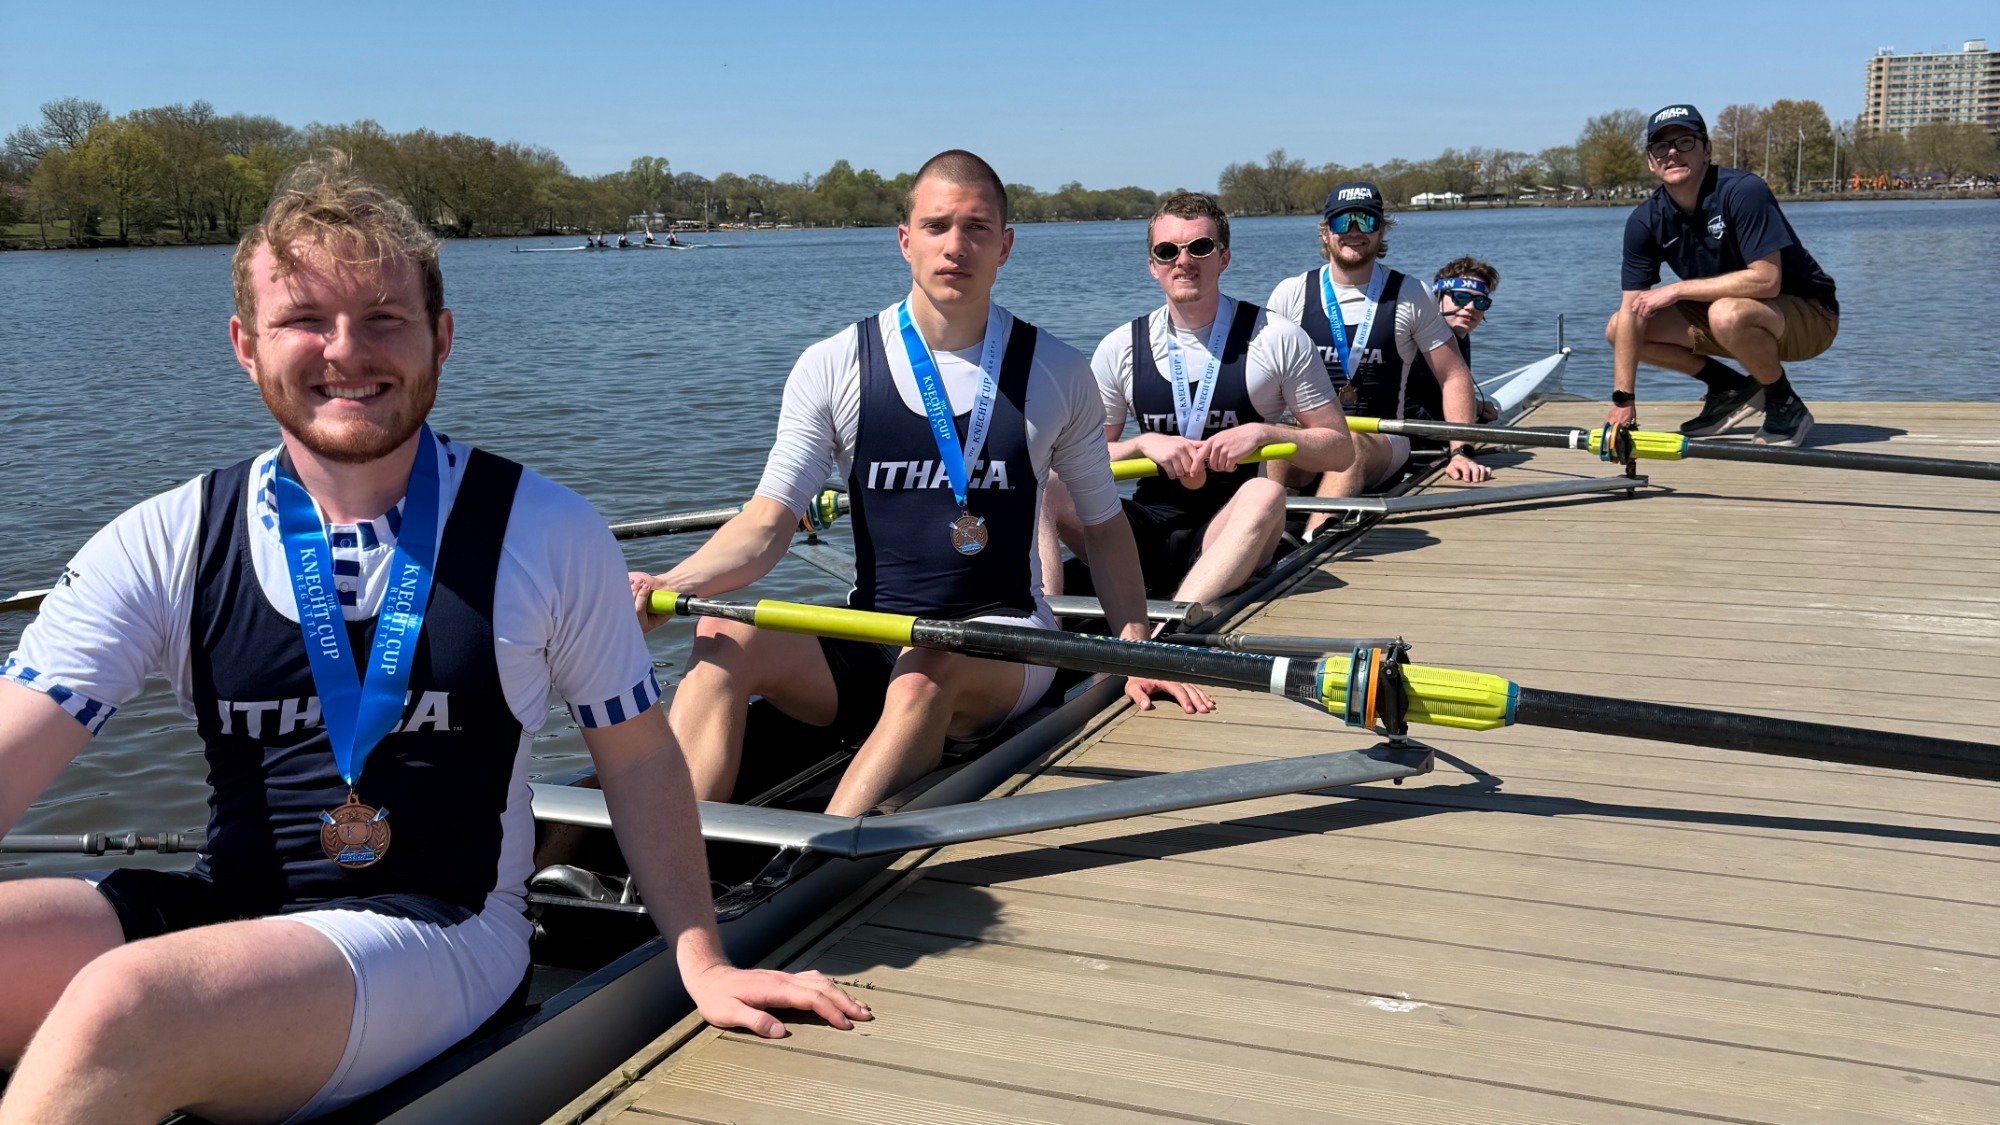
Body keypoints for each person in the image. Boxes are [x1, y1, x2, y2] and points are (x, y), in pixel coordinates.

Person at [0, 154, 865, 1125]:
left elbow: (636, 758)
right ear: (245, 345)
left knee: (126, 1005)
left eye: (383, 318)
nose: (345, 351)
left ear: (440, 339)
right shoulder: (162, 541)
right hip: (233, 910)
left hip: (447, 930)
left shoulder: (546, 531)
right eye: (304, 319)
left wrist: (699, 959)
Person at [631, 150, 1211, 820]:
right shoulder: (832, 365)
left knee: (926, 666)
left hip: (1006, 640)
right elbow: (766, 525)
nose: (955, 245)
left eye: (976, 228)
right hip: (877, 629)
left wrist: (1135, 648)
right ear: (906, 240)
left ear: (1005, 246)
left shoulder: (1056, 370)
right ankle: (669, 855)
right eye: (936, 226)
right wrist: (671, 582)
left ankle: (810, 859)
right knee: (721, 636)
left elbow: (1104, 527)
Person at [1043, 191, 1354, 608]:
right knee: (1046, 485)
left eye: (1200, 247)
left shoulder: (1278, 338)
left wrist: (1266, 433)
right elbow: (1080, 457)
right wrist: (1140, 444)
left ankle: (1172, 623)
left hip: (1231, 525)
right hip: (1144, 526)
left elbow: (1339, 450)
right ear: (1153, 266)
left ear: (1223, 258)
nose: (1183, 261)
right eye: (1168, 251)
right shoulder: (1120, 347)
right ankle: (1045, 621)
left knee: (1266, 493)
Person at [1606, 104, 1839, 446]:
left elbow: (1766, 280)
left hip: (1811, 315)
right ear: (1651, 162)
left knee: (1726, 313)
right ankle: (1729, 388)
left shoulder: (1743, 191)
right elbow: (1630, 311)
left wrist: (1678, 290)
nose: (1672, 153)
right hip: (1731, 315)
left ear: (1707, 150)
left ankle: (1784, 402)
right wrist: (1623, 400)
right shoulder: (1645, 220)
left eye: (1684, 142)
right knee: (1620, 328)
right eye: (1661, 146)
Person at [1266, 183, 1492, 536]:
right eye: (1343, 222)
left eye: (1366, 221)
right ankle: (1263, 535)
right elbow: (1263, 381)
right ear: (1325, 232)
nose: (1354, 231)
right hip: (1313, 436)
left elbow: (1453, 376)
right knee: (1271, 440)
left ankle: (1311, 541)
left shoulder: (1410, 294)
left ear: (1381, 231)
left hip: (1383, 440)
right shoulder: (1291, 293)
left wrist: (1461, 450)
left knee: (1352, 445)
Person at [1405, 257, 1501, 428]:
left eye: (1480, 302)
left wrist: (1475, 406)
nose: (1471, 307)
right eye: (1461, 297)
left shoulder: (1460, 334)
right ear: (1438, 297)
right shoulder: (1416, 339)